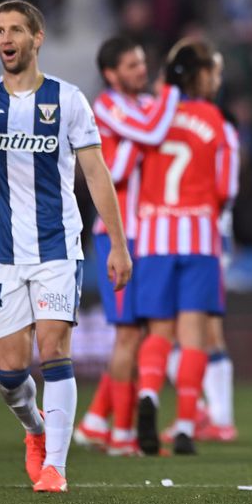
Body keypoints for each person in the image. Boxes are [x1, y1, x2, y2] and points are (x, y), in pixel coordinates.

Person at [0, 0, 132, 494]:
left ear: (38, 38)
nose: (5, 38)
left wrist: (117, 245)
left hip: (58, 247)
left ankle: (55, 466)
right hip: (3, 254)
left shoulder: (69, 99)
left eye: (15, 29)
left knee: (55, 350)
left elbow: (96, 173)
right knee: (10, 374)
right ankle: (35, 430)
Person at [73, 36, 179, 456]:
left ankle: (105, 425)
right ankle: (120, 435)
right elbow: (149, 136)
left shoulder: (136, 106)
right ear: (111, 74)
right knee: (127, 338)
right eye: (132, 65)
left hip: (147, 234)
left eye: (142, 62)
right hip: (117, 235)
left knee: (141, 334)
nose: (142, 70)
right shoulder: (107, 106)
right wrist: (171, 93)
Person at [132, 39, 239, 456]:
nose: (217, 79)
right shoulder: (218, 122)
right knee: (193, 335)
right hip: (199, 237)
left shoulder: (150, 115)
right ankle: (184, 425)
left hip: (155, 235)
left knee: (158, 332)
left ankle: (149, 395)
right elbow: (227, 190)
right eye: (213, 71)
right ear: (200, 75)